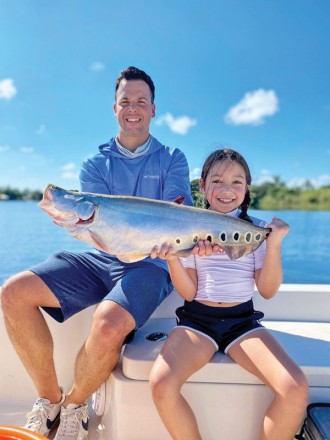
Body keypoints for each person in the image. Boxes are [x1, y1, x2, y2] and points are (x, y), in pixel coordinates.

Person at [0, 66, 193, 440]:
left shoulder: (173, 158)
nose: (133, 108)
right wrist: (76, 221)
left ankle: (75, 406)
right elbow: (97, 230)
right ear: (115, 108)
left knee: (107, 323)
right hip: (104, 256)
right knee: (14, 292)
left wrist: (165, 243)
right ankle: (49, 401)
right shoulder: (94, 165)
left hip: (153, 262)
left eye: (141, 101)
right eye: (125, 102)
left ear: (153, 109)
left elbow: (174, 213)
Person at [149, 148, 309, 440]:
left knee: (295, 388)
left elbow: (268, 291)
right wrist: (172, 257)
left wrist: (273, 246)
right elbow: (189, 291)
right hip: (197, 322)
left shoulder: (258, 229)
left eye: (237, 182)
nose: (227, 190)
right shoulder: (189, 227)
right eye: (218, 181)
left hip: (242, 323)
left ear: (247, 188)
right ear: (202, 186)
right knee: (161, 383)